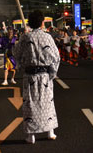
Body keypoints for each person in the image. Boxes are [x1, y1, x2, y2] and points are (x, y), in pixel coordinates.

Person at [13, 10, 60, 144]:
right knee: (47, 103)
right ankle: (50, 132)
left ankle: (31, 135)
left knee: (30, 104)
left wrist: (21, 65)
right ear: (42, 22)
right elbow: (56, 57)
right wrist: (52, 73)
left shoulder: (25, 37)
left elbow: (17, 54)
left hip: (30, 76)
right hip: (45, 75)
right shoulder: (48, 37)